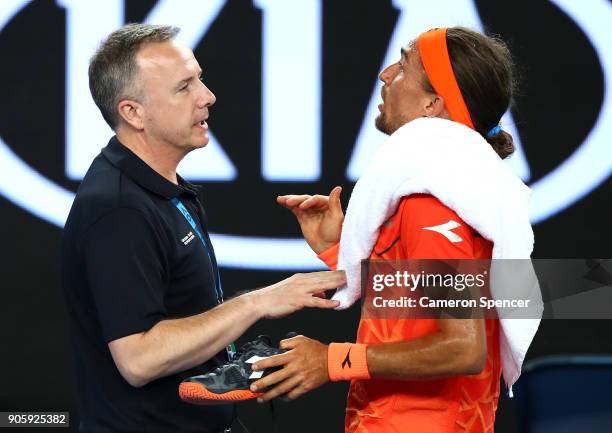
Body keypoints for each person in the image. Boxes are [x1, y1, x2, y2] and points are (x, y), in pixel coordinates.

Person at [249, 27, 538, 433]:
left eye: (403, 66)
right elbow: (421, 305)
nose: (385, 74)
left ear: (433, 103)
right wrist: (338, 249)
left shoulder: (434, 200)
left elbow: (462, 347)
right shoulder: (450, 188)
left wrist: (332, 360)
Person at [60, 23, 344, 433]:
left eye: (200, 79)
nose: (207, 96)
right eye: (184, 87)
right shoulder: (119, 210)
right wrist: (258, 303)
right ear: (132, 112)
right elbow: (139, 359)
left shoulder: (160, 188)